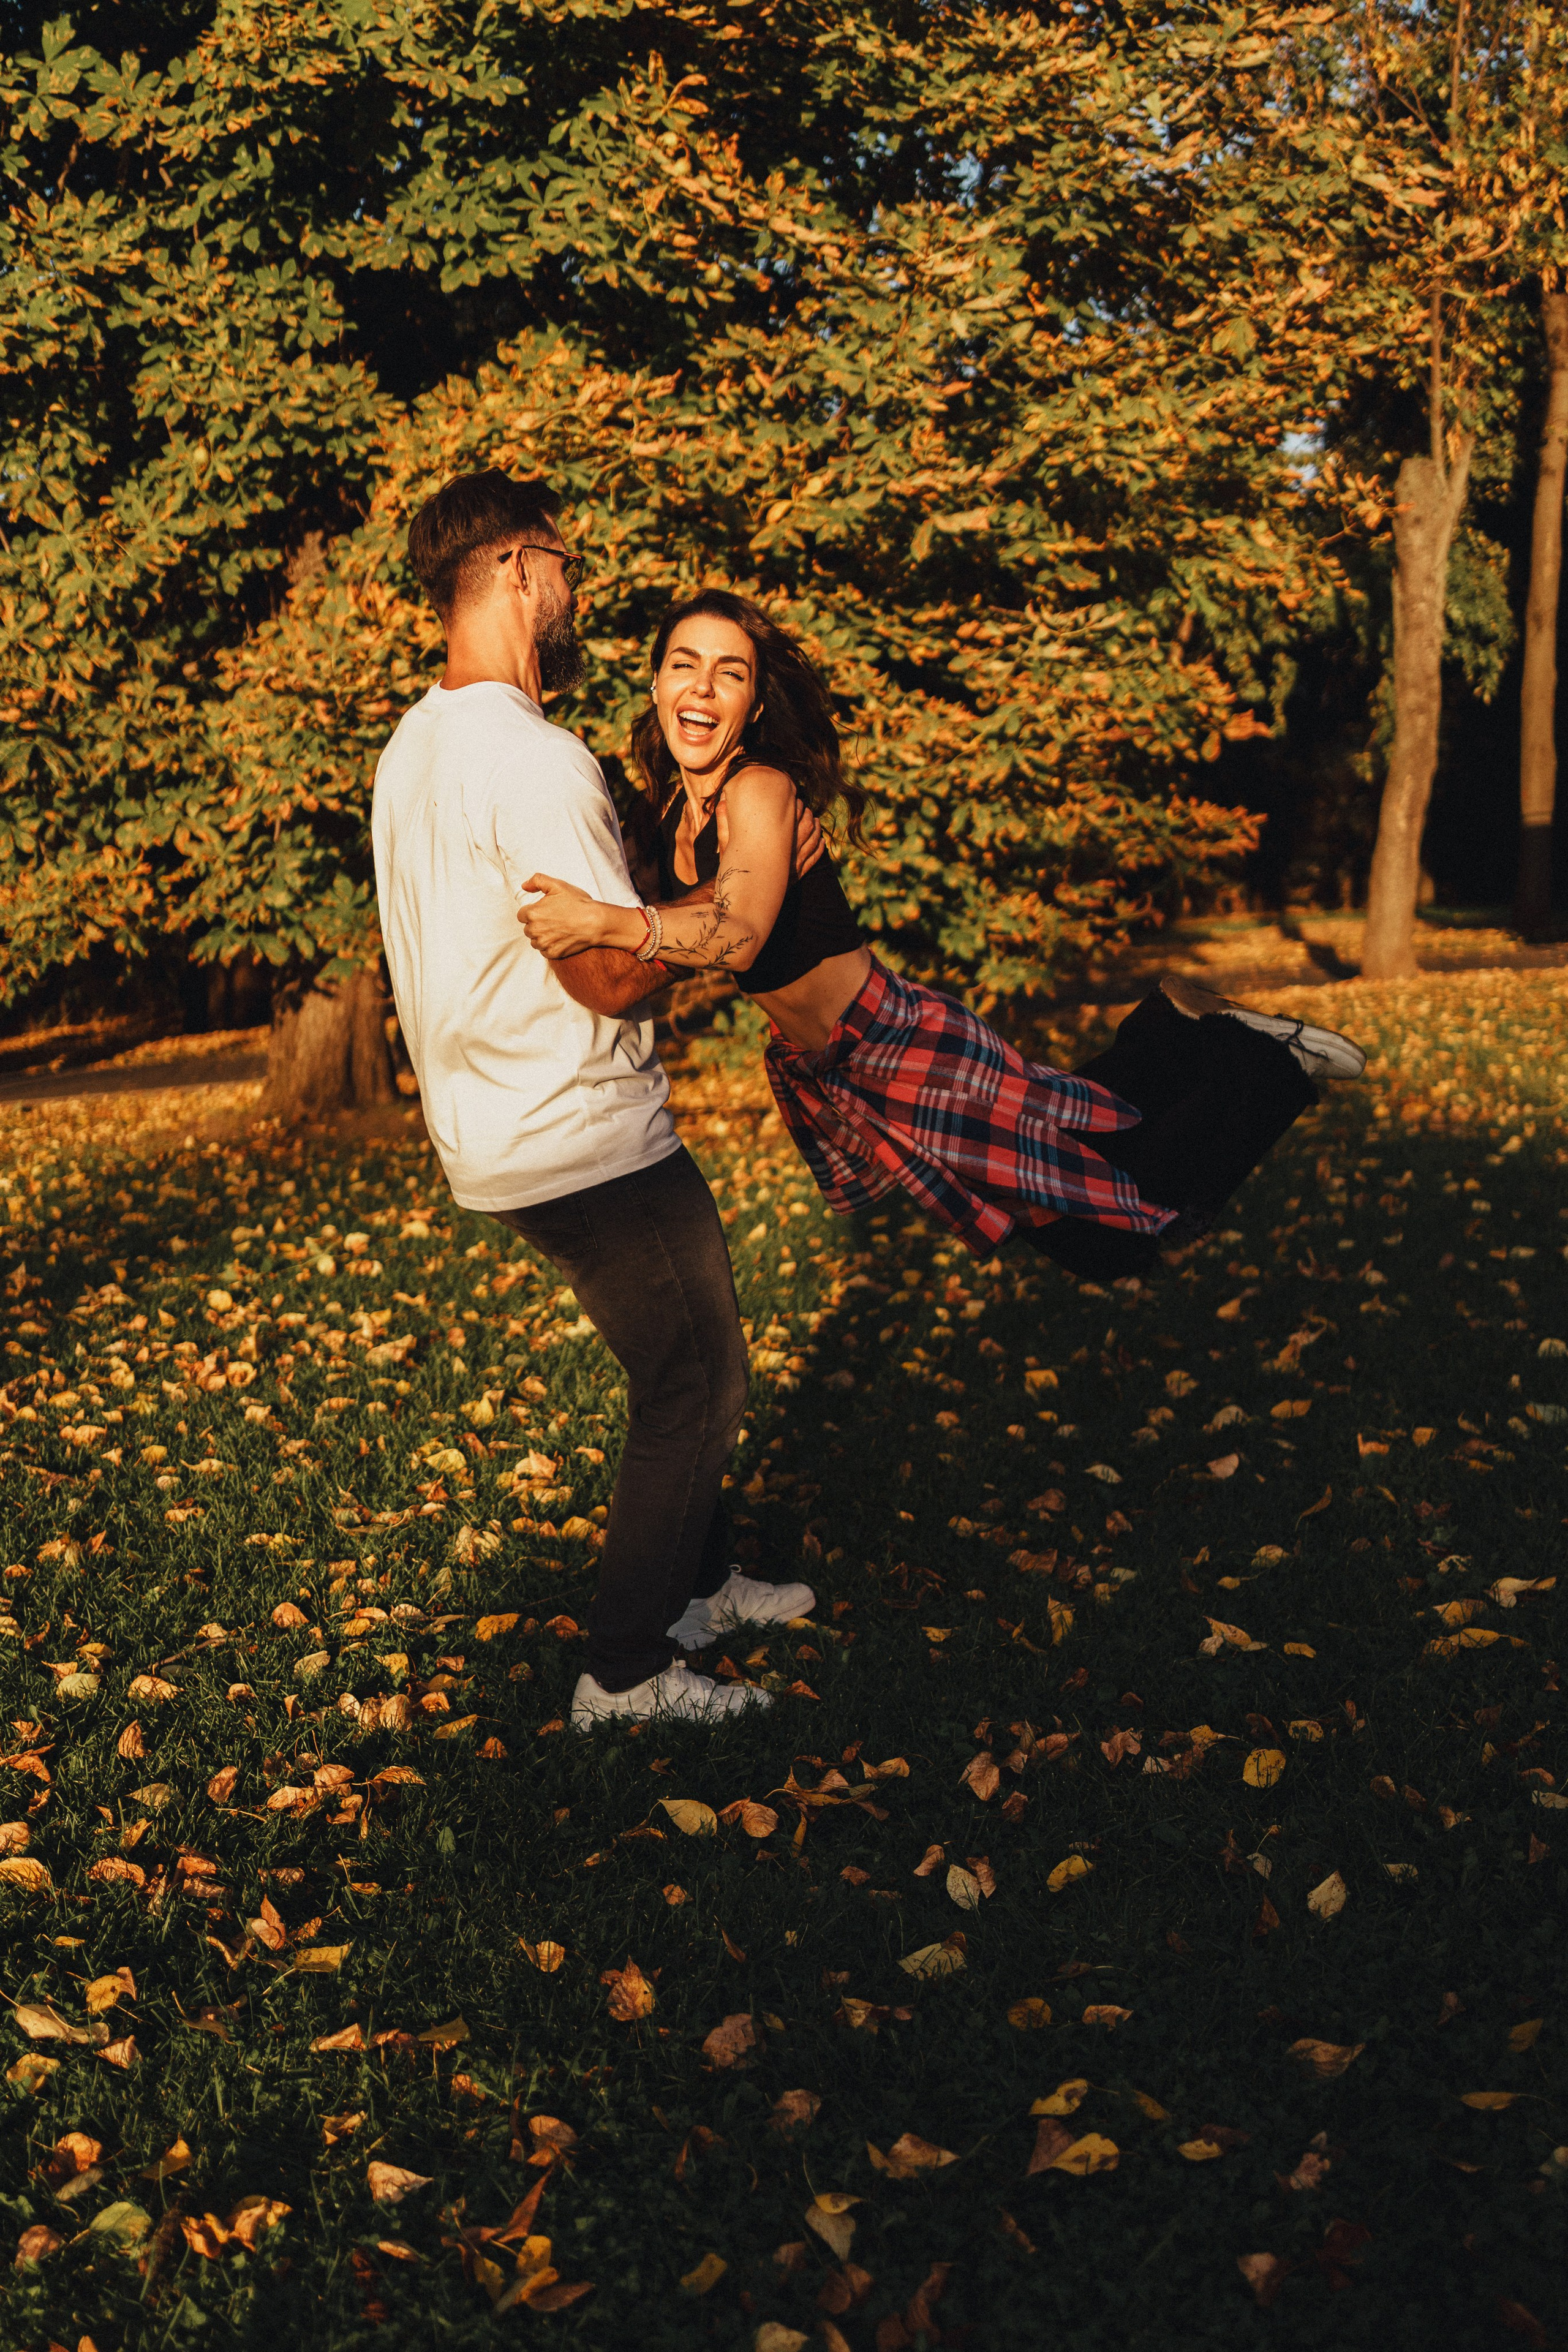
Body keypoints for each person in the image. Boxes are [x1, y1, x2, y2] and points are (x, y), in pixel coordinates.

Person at [518, 589, 1366, 1283]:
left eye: (729, 674)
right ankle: (1174, 1029)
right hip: (846, 1066)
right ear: (658, 683)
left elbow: (735, 935)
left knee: (1118, 1232)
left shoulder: (760, 789)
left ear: (754, 701)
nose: (702, 689)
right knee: (1077, 1160)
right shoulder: (670, 808)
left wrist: (598, 922)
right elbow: (692, 910)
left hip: (897, 1037)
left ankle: (1261, 1056)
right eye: (683, 666)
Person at [371, 476, 818, 1732]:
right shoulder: (530, 753)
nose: (575, 593)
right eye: (562, 566)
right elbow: (612, 975)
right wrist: (726, 902)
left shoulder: (416, 744)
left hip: (490, 1129)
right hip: (580, 1131)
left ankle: (704, 1586)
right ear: (517, 568)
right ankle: (623, 1672)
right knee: (700, 1384)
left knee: (670, 1362)